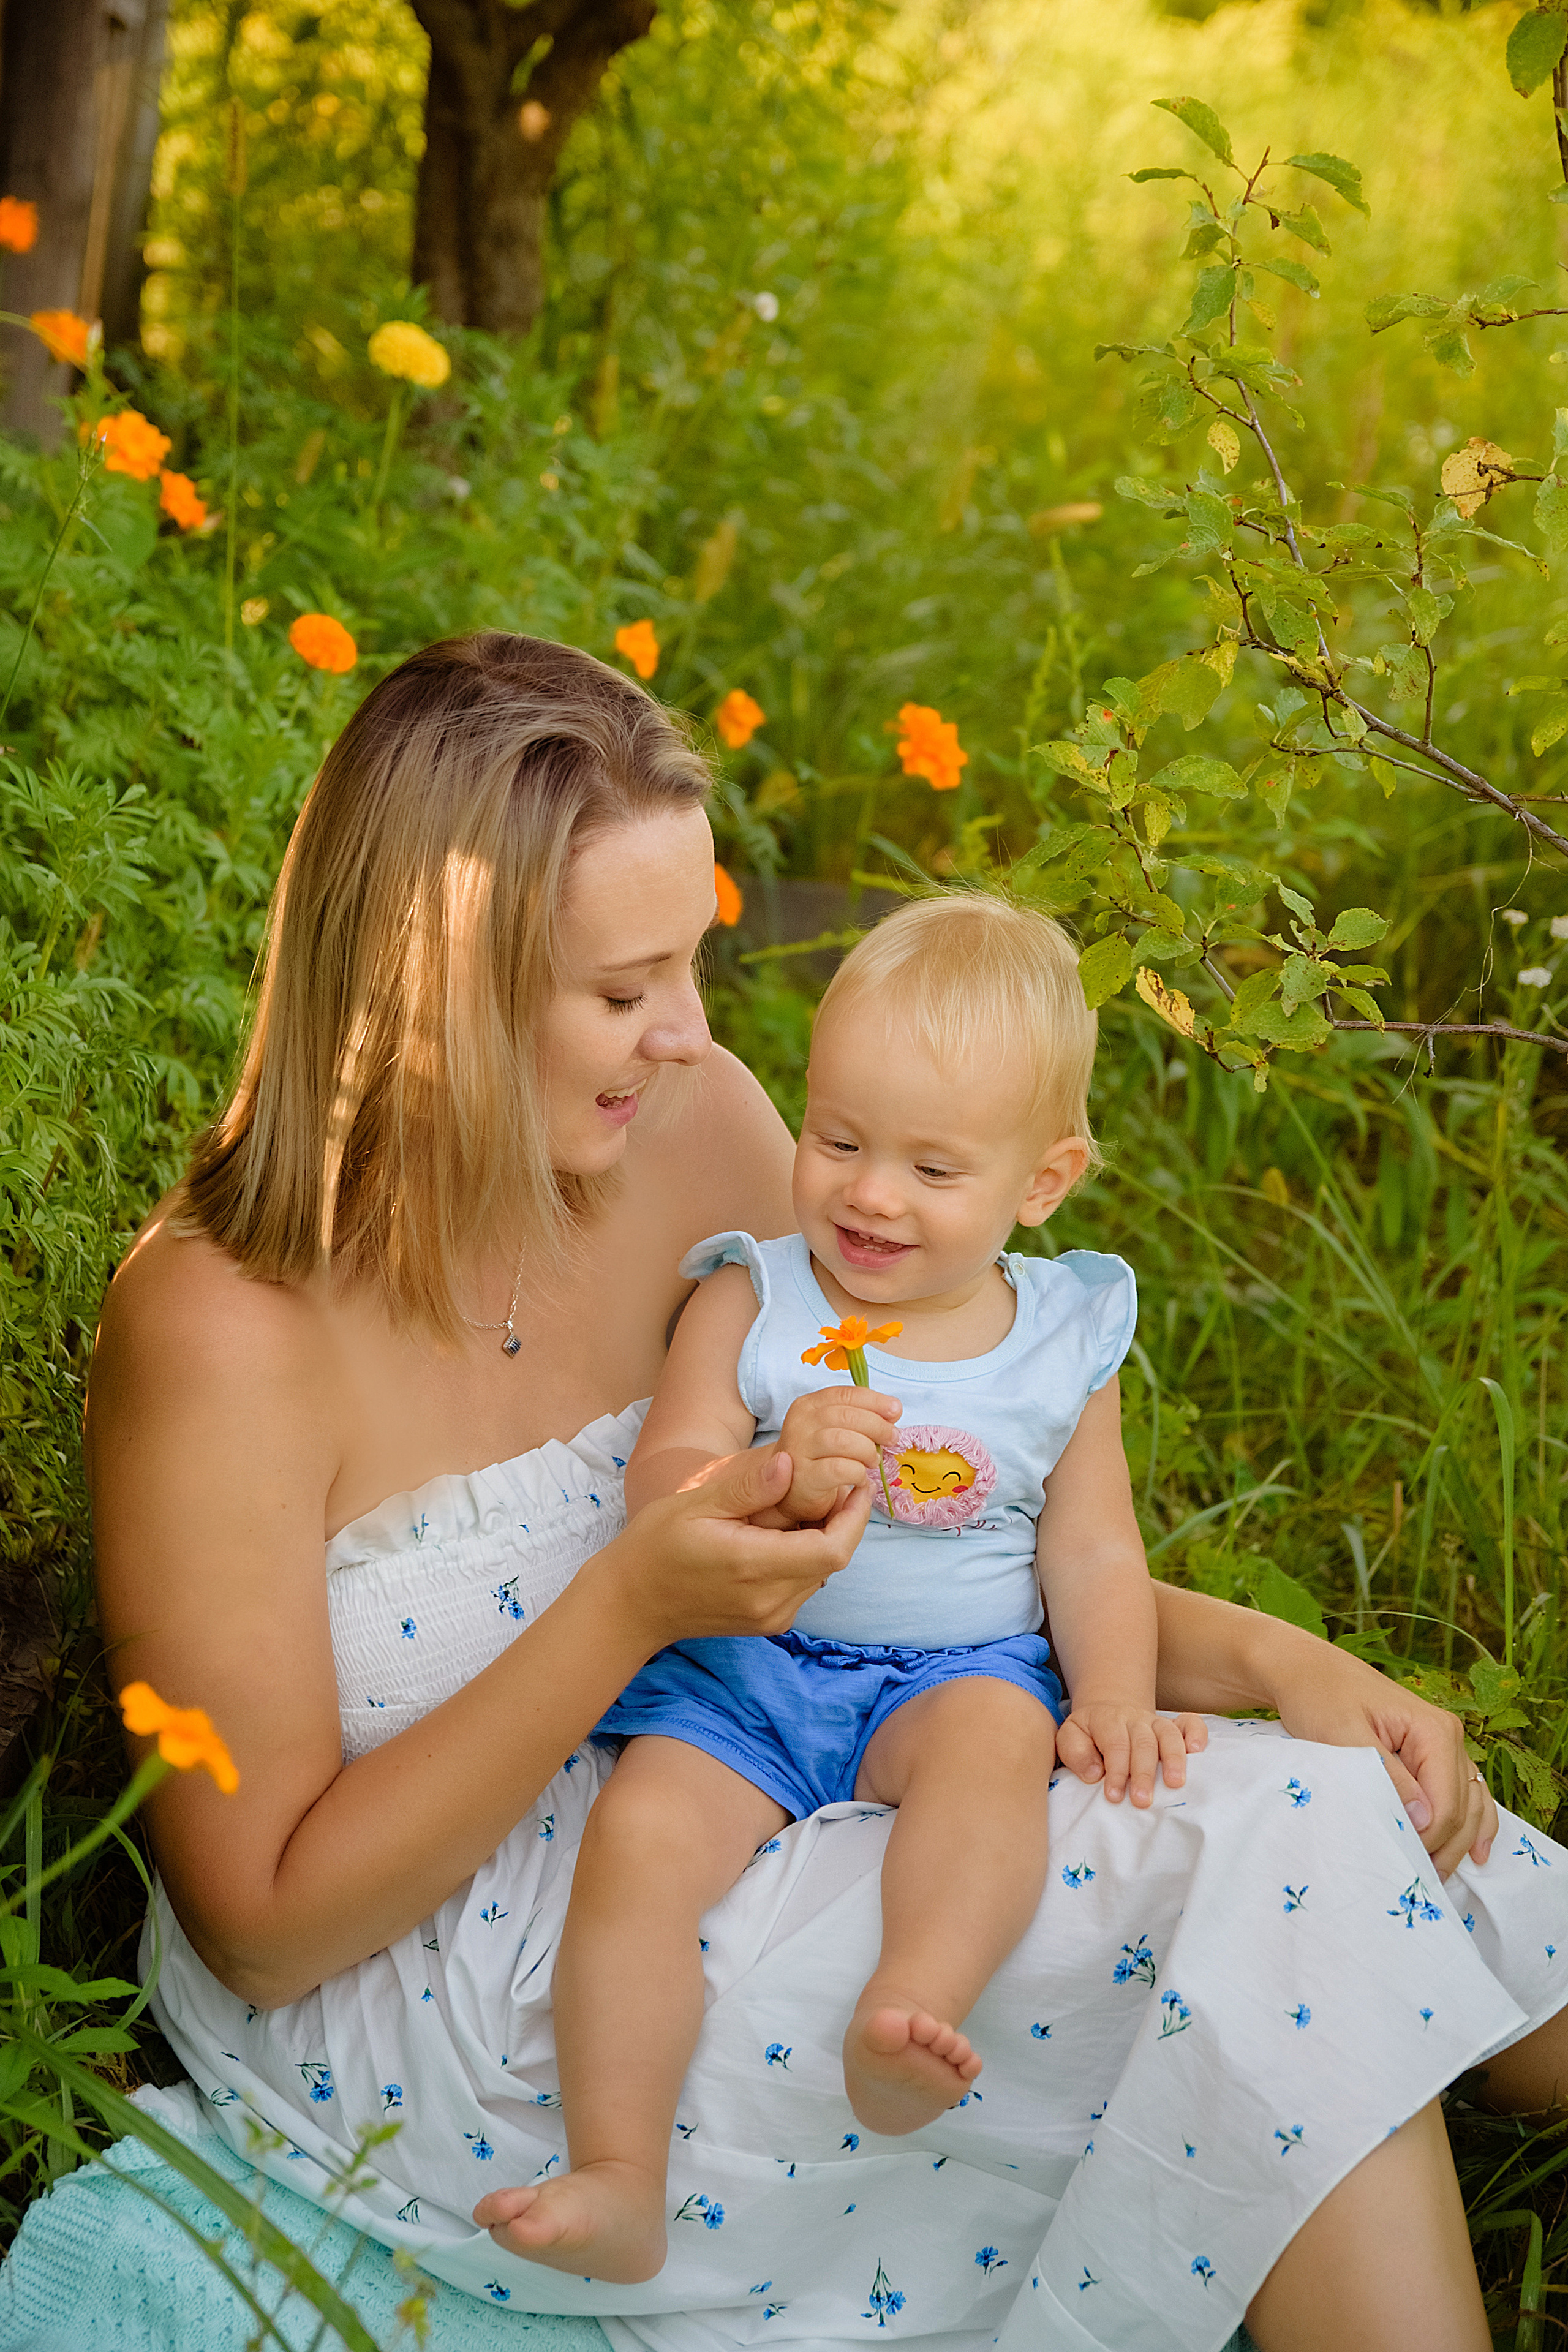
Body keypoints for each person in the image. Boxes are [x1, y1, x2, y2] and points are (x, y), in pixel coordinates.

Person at [25, 633, 1566, 2352]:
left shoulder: (684, 1133)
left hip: (791, 1772)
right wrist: (631, 1608)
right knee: (1255, 1857)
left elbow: (934, 1533)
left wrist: (1280, 1660)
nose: (687, 1034)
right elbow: (263, 1927)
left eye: (692, 961)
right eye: (625, 988)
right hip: (489, 1973)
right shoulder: (223, 1333)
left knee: (1346, 1812)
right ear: (434, 976)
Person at [501, 892, 1211, 2284]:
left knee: (993, 1764)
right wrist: (760, 1476)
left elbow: (1091, 1549)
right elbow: (666, 1483)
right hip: (743, 1665)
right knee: (638, 1845)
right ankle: (616, 2169)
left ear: (1042, 1181)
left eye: (932, 1171)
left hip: (949, 1678)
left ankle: (909, 2008)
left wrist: (1115, 1696)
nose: (868, 1195)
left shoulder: (1061, 1339)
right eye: (836, 1141)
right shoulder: (755, 1300)